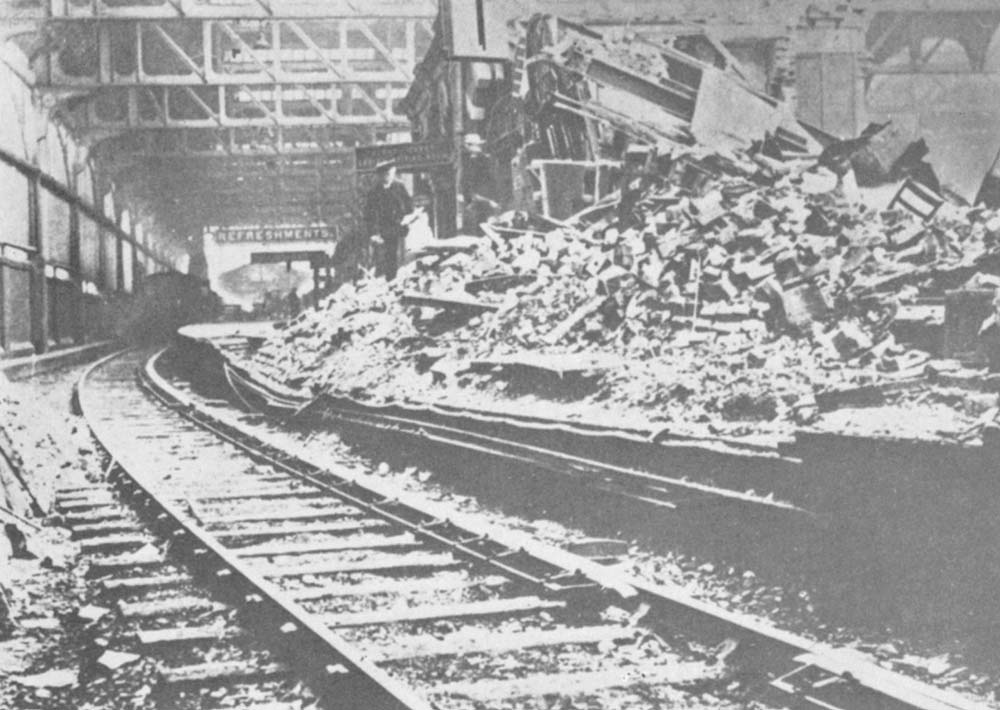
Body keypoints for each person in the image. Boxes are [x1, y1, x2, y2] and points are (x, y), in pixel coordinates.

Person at [363, 160, 412, 280]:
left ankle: (399, 279)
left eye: (388, 174)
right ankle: (389, 281)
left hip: (400, 227)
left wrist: (405, 218)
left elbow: (409, 206)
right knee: (386, 258)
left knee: (402, 257)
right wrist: (373, 233)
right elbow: (369, 214)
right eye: (383, 175)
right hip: (382, 229)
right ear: (379, 176)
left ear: (392, 173)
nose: (386, 177)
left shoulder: (399, 187)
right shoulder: (374, 192)